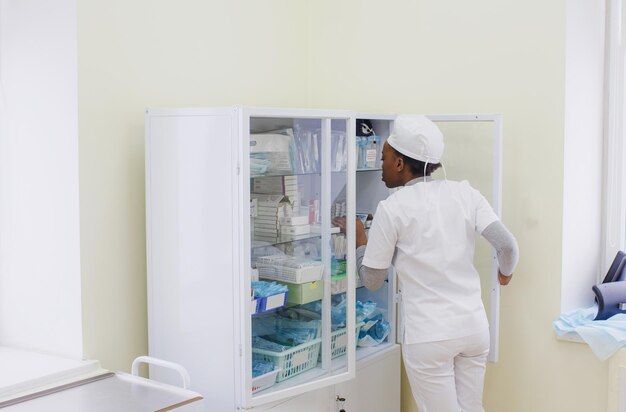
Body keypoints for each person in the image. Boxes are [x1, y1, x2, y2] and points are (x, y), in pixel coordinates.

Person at [333, 114, 519, 412]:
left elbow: (372, 280)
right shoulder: (465, 193)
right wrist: (505, 274)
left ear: (399, 163)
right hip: (473, 328)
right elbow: (508, 245)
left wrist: (359, 238)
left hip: (430, 335)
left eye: (384, 157)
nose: (380, 165)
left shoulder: (392, 208)